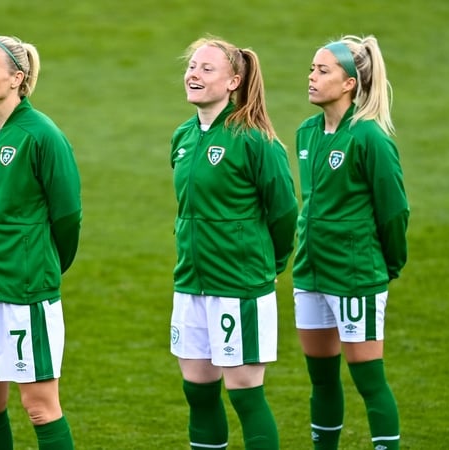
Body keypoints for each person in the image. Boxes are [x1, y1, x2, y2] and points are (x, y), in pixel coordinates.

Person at [0, 35, 82, 450]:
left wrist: (39, 263)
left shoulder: (43, 135)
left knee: (40, 407)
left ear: (17, 78)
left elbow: (67, 216)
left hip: (25, 289)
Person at [168, 35, 298, 450]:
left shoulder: (256, 141)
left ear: (233, 82)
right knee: (198, 394)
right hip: (191, 283)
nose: (194, 74)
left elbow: (284, 215)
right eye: (192, 67)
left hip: (239, 288)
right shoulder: (183, 137)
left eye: (207, 69)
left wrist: (266, 266)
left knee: (245, 395)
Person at [292, 35, 409, 450]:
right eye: (312, 68)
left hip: (355, 275)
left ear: (348, 84)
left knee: (367, 377)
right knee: (320, 379)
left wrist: (387, 266)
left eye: (322, 71)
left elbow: (394, 212)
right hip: (310, 273)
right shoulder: (306, 133)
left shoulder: (370, 138)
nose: (311, 77)